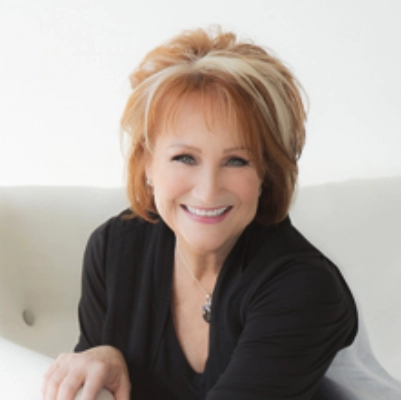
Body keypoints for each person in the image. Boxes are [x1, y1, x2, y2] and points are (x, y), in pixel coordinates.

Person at [42, 26, 358, 400]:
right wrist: (103, 355)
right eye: (185, 158)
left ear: (266, 174)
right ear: (146, 163)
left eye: (236, 160)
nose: (208, 190)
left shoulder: (302, 287)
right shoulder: (115, 250)